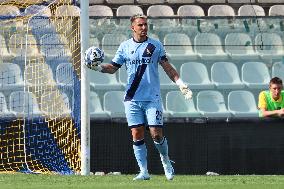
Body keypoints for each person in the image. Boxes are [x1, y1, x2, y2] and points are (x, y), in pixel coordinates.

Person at [86, 14, 192, 180]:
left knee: (156, 134)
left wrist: (181, 83)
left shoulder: (155, 45)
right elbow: (113, 67)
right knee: (137, 133)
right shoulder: (125, 47)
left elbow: (168, 68)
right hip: (132, 98)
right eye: (140, 25)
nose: (143, 28)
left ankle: (165, 160)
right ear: (133, 27)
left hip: (152, 98)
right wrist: (97, 67)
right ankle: (143, 171)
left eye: (145, 25)